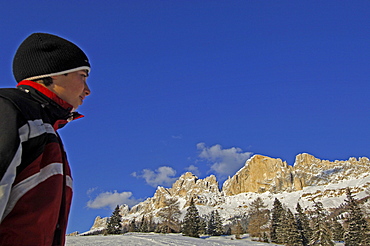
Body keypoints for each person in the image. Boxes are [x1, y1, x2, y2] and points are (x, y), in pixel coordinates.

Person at [0, 33, 91, 245]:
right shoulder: (10, 111)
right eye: (83, 76)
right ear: (55, 74)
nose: (87, 90)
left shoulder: (45, 127)